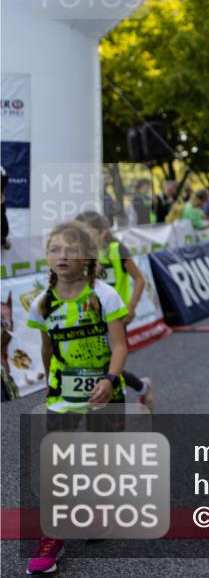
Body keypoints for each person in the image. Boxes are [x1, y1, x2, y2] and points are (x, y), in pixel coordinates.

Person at [25, 221, 130, 574]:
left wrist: (111, 379)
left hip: (105, 388)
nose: (62, 256)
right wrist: (50, 389)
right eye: (55, 249)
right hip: (64, 390)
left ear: (87, 257)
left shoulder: (105, 295)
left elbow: (119, 345)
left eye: (70, 249)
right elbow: (46, 348)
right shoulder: (42, 304)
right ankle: (51, 539)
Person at [74, 211, 155, 410]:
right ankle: (142, 387)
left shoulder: (117, 249)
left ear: (102, 232)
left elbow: (139, 278)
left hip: (115, 316)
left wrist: (131, 306)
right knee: (103, 367)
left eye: (87, 231)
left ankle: (118, 411)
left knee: (110, 366)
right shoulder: (82, 254)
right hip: (91, 318)